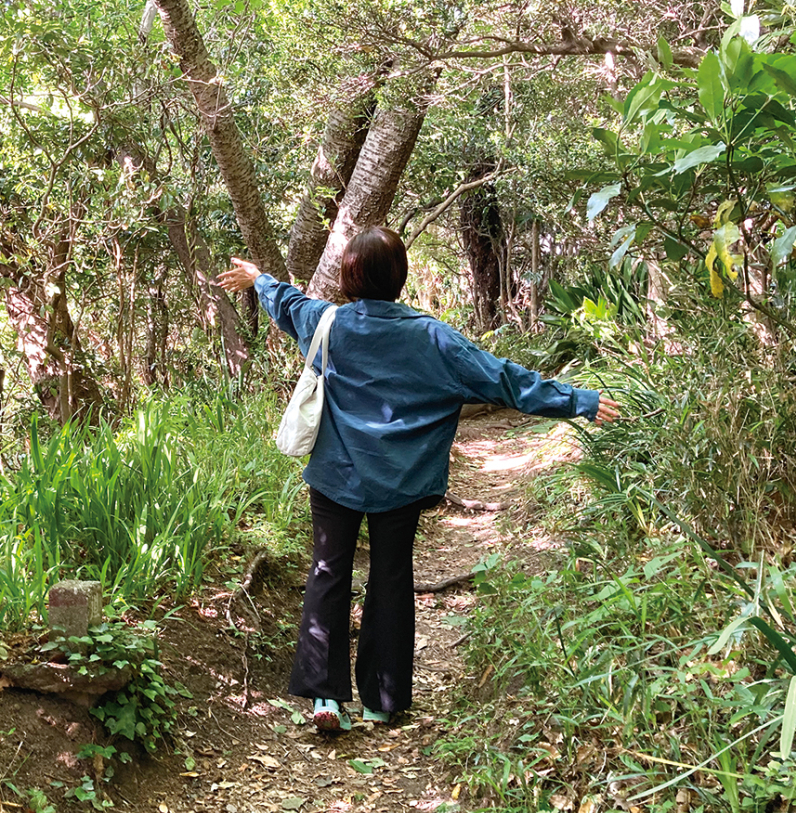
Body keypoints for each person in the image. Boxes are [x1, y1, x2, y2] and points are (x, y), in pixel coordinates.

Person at [216, 227, 621, 731]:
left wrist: (259, 279)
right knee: (390, 577)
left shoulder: (328, 322)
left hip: (335, 474)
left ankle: (324, 699)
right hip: (399, 481)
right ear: (400, 277)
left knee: (327, 572)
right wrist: (577, 401)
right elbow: (503, 380)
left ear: (348, 277)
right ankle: (380, 701)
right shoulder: (434, 338)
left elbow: (289, 304)